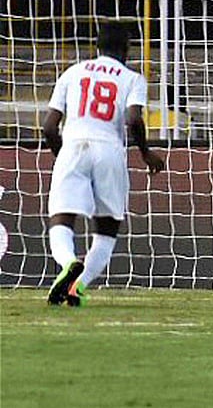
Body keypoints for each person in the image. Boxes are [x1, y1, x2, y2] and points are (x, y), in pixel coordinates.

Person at [42, 22, 166, 307]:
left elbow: (49, 126)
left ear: (97, 47)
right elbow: (134, 119)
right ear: (126, 49)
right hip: (110, 150)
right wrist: (145, 152)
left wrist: (63, 156)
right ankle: (79, 285)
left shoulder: (72, 73)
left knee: (61, 218)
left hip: (74, 144)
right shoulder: (132, 78)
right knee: (107, 230)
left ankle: (68, 263)